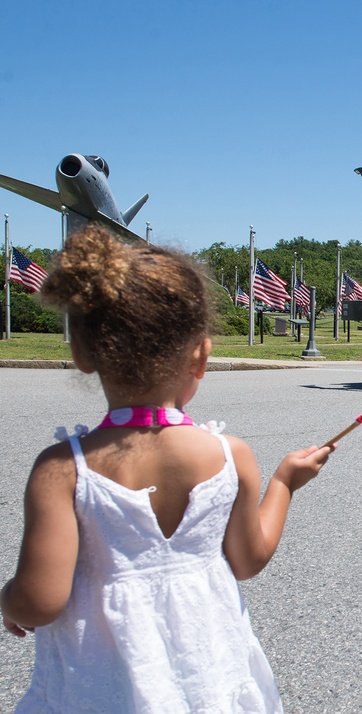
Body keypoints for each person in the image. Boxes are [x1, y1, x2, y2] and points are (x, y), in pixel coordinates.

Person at [1, 226, 335, 712]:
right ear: (201, 354)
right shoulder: (229, 454)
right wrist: (283, 482)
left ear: (82, 354)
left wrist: (10, 599)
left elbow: (39, 599)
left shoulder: (62, 469)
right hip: (209, 679)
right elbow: (248, 560)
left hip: (98, 689)